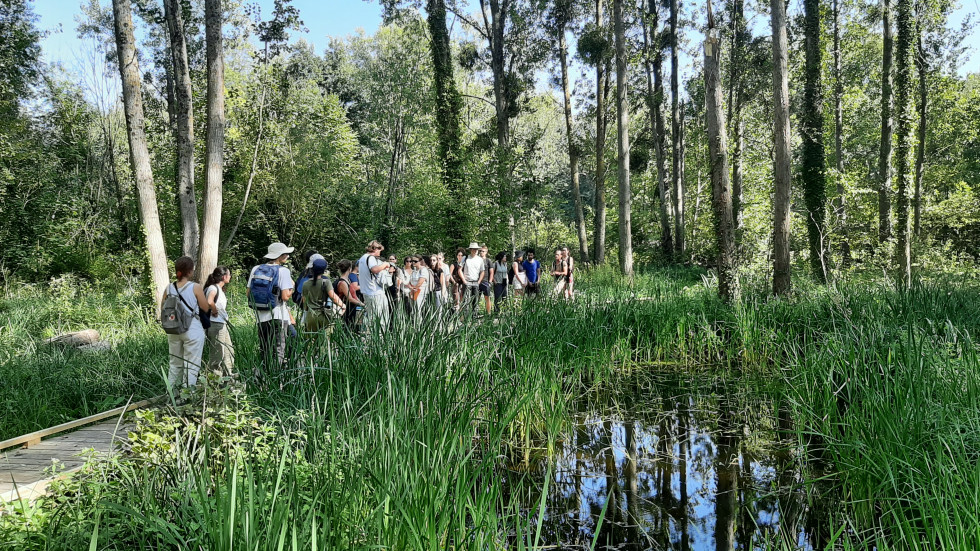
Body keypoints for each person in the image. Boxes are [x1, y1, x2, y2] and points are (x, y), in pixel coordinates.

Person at [247, 242, 295, 376]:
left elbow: (248, 293)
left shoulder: (256, 268)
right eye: (285, 254)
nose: (287, 256)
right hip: (278, 316)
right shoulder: (283, 271)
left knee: (265, 349)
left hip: (261, 316)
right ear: (280, 256)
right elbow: (285, 297)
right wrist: (292, 288)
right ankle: (275, 380)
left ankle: (263, 379)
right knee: (278, 350)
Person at [162, 256, 209, 389]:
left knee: (175, 363)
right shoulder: (195, 287)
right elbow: (205, 308)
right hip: (192, 329)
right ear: (189, 272)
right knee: (191, 364)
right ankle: (187, 396)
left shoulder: (169, 288)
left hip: (173, 329)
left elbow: (162, 308)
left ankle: (171, 394)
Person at [357, 240, 394, 334]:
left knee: (371, 320)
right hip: (375, 293)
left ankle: (372, 341)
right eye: (379, 250)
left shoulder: (362, 258)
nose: (379, 252)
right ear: (375, 248)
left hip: (367, 292)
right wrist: (385, 264)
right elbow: (374, 269)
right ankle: (381, 341)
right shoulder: (370, 258)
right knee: (381, 320)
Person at [204, 266, 234, 377]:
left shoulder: (220, 289)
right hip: (215, 324)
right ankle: (215, 379)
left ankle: (228, 376)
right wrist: (215, 310)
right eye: (229, 274)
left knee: (228, 351)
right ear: (224, 276)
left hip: (222, 324)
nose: (230, 277)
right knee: (217, 353)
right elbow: (209, 301)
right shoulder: (213, 288)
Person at [302, 258, 346, 333]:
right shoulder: (326, 282)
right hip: (323, 314)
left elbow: (304, 301)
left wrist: (306, 312)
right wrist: (343, 305)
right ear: (324, 270)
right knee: (325, 340)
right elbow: (333, 296)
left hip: (310, 315)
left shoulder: (305, 284)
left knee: (311, 340)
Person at [333, 259, 363, 332]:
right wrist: (362, 304)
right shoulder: (342, 283)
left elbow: (354, 295)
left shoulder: (348, 280)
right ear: (349, 269)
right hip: (346, 310)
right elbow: (350, 298)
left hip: (351, 309)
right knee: (347, 329)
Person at [461, 243, 484, 312]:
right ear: (470, 250)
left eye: (477, 249)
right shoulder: (465, 258)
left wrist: (479, 281)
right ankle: (466, 319)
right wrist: (464, 281)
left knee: (475, 302)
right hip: (467, 281)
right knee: (466, 302)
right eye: (474, 249)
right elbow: (459, 270)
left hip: (476, 282)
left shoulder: (480, 259)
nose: (475, 250)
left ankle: (474, 318)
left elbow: (482, 271)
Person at [479, 245, 492, 314]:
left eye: (483, 251)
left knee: (487, 298)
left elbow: (491, 272)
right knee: (476, 298)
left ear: (486, 252)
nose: (481, 252)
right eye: (480, 251)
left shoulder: (488, 261)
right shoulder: (477, 260)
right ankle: (474, 314)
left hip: (486, 282)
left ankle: (488, 313)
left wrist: (490, 282)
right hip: (477, 282)